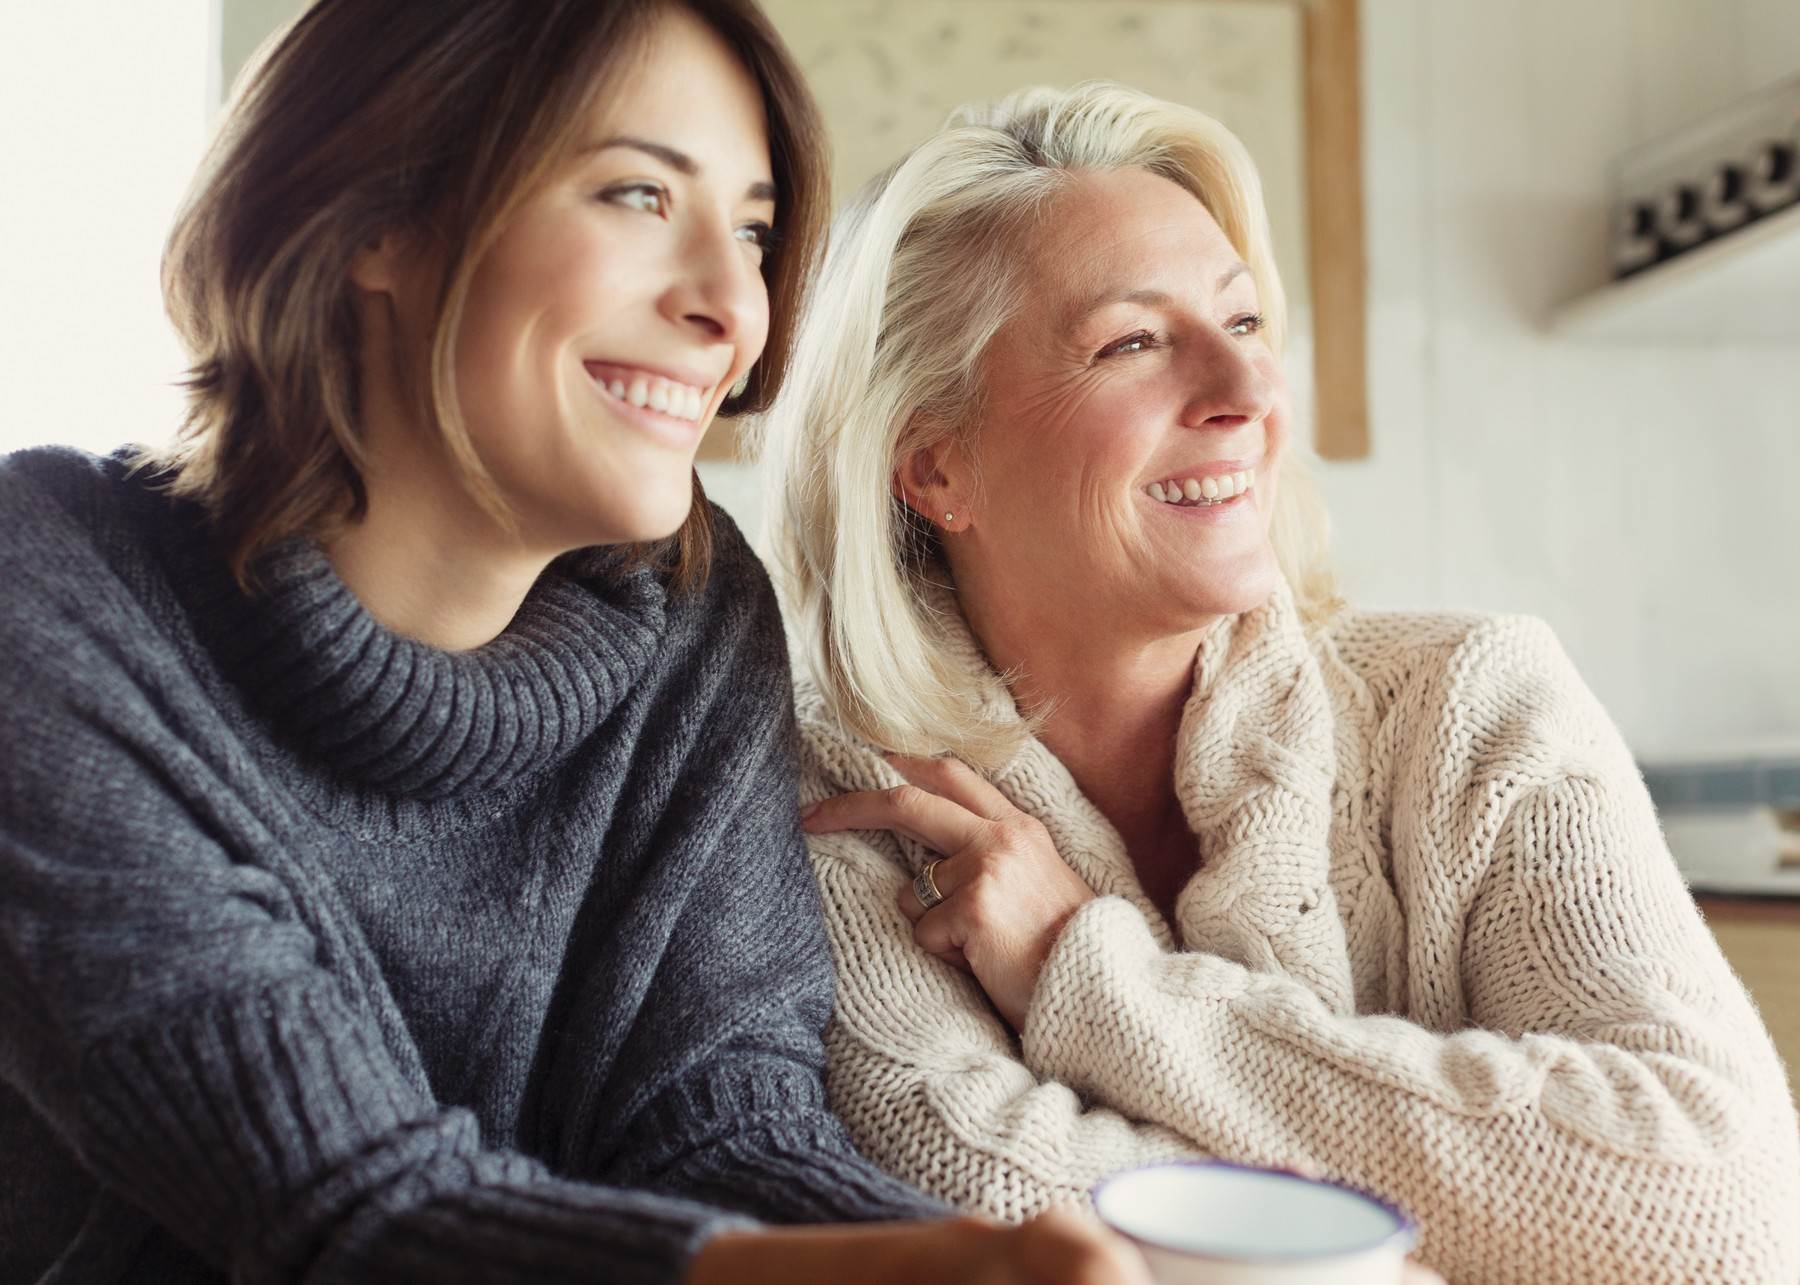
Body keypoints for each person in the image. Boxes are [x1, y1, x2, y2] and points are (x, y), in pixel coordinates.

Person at [0, 5, 1153, 1282]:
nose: (735, 305)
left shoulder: (698, 615)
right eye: (638, 195)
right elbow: (335, 1207)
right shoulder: (44, 586)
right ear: (378, 213)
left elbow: (719, 1123)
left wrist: (987, 1255)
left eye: (756, 231)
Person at [757, 80, 1800, 1284]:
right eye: (1134, 342)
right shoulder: (835, 801)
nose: (1246, 395)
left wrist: (1083, 975)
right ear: (935, 464)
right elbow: (993, 1204)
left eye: (1246, 324)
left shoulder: (1480, 702)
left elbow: (1719, 1205)